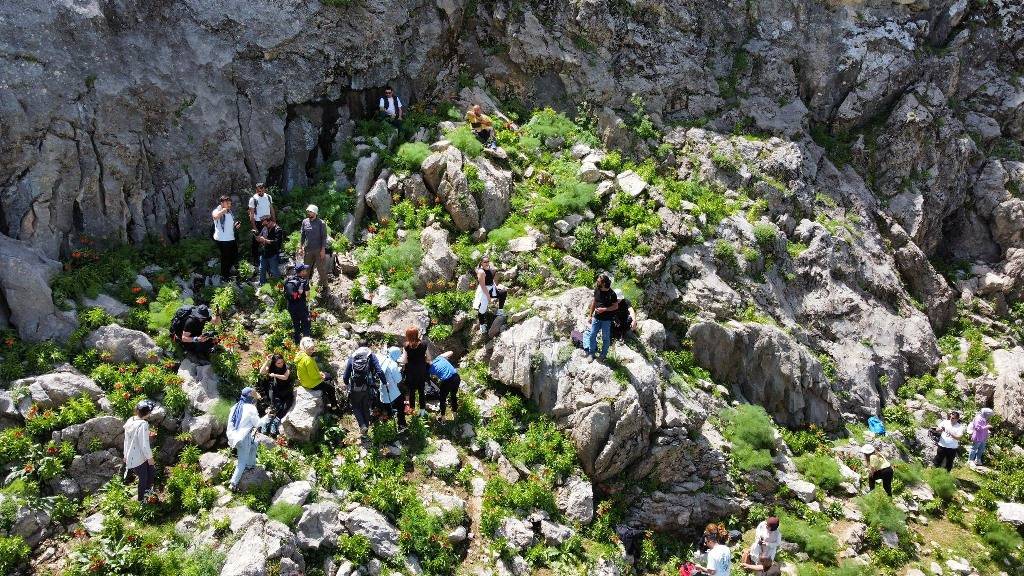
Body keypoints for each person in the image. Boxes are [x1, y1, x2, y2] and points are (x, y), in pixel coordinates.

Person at [226, 387, 267, 492]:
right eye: (253, 395)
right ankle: (233, 483)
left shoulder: (235, 406)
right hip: (243, 438)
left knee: (254, 444)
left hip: (234, 436)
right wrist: (267, 417)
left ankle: (251, 465)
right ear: (250, 397)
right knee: (241, 462)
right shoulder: (251, 408)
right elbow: (257, 424)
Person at [343, 344, 386, 436]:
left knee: (355, 406)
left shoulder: (353, 357)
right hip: (367, 387)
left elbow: (345, 375)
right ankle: (365, 429)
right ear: (367, 347)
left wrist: (346, 383)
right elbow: (379, 370)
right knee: (366, 407)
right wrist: (384, 382)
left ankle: (362, 426)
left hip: (355, 387)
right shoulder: (371, 356)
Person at [123, 400, 156, 502]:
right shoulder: (143, 424)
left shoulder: (130, 420)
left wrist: (125, 455)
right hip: (138, 458)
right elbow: (144, 445)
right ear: (147, 413)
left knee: (149, 473)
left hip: (130, 456)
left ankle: (147, 496)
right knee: (145, 478)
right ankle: (143, 500)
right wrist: (150, 458)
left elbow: (127, 439)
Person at [295, 337, 336, 410]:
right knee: (331, 387)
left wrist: (320, 373)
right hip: (312, 383)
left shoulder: (300, 355)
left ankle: (327, 397)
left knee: (327, 376)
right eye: (311, 349)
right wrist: (322, 376)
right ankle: (334, 407)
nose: (313, 350)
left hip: (304, 381)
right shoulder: (308, 360)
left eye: (313, 348)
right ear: (305, 348)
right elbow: (313, 376)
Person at [259, 354, 293, 436]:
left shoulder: (286, 367)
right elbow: (261, 372)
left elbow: (285, 377)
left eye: (282, 362)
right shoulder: (272, 367)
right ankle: (267, 422)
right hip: (276, 390)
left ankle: (275, 422)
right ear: (274, 363)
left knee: (285, 406)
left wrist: (275, 375)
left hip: (286, 390)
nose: (281, 364)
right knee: (276, 405)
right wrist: (267, 361)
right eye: (278, 363)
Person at [401, 326, 432, 417]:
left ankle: (412, 409)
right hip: (422, 371)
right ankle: (422, 411)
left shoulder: (406, 346)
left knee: (411, 391)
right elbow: (429, 358)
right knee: (421, 390)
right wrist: (423, 359)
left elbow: (404, 361)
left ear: (408, 336)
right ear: (417, 334)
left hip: (410, 372)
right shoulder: (424, 344)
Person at [473, 256, 507, 335]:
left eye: (488, 261)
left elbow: (491, 279)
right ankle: (482, 324)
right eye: (485, 262)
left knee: (503, 293)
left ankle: (500, 311)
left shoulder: (489, 268)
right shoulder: (481, 272)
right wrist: (489, 297)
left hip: (492, 288)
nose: (487, 263)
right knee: (482, 309)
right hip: (484, 291)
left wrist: (495, 286)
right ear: (481, 263)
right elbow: (483, 286)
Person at [299, 204, 330, 292]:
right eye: (308, 211)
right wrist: (300, 247)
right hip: (308, 250)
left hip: (319, 250)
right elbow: (302, 235)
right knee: (306, 269)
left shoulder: (321, 223)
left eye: (311, 211)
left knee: (321, 269)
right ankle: (305, 286)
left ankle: (326, 287)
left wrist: (323, 250)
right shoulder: (305, 222)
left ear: (315, 213)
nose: (309, 213)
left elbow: (324, 237)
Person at [588, 274, 618, 361]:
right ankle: (591, 353)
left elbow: (615, 306)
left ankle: (603, 355)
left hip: (607, 320)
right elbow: (594, 302)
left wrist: (604, 309)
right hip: (596, 318)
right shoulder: (597, 289)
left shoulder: (612, 294)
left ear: (604, 283)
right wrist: (590, 315)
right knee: (592, 335)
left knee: (605, 337)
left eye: (598, 281)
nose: (597, 282)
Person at [376, 346, 407, 428]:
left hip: (382, 392)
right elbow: (398, 380)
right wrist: (399, 371)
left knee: (387, 408)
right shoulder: (393, 364)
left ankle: (386, 421)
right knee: (401, 404)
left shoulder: (383, 360)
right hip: (391, 392)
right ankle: (401, 424)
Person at [212, 195, 241, 280]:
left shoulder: (230, 212)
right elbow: (215, 217)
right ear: (222, 203)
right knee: (226, 257)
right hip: (222, 239)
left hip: (230, 238)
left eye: (230, 203)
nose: (229, 204)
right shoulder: (217, 210)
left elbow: (230, 224)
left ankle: (228, 272)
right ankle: (225, 276)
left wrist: (236, 225)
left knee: (234, 255)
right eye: (227, 203)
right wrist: (222, 211)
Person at [247, 183, 276, 265]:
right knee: (256, 241)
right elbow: (251, 214)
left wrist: (274, 220)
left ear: (264, 189)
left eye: (262, 189)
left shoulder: (268, 197)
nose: (260, 191)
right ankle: (255, 259)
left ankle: (269, 257)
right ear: (256, 190)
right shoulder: (253, 199)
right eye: (259, 190)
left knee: (269, 238)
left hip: (268, 221)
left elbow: (271, 209)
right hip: (258, 222)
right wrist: (254, 227)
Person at [284, 264, 312, 344]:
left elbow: (285, 292)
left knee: (296, 324)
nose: (306, 271)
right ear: (302, 272)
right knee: (306, 324)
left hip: (290, 306)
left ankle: (297, 343)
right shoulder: (304, 281)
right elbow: (307, 295)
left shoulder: (288, 279)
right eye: (305, 270)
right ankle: (306, 344)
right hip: (301, 307)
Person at [429, 352, 461, 419]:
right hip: (456, 377)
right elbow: (451, 352)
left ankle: (443, 416)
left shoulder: (429, 369)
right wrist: (442, 356)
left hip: (447, 381)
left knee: (442, 399)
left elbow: (430, 376)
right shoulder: (440, 357)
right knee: (453, 395)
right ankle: (455, 413)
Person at [255, 214, 285, 284]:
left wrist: (265, 240)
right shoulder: (265, 228)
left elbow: (277, 243)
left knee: (274, 271)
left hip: (273, 254)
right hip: (264, 252)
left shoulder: (278, 229)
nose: (265, 226)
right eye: (264, 224)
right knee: (261, 269)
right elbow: (261, 237)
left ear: (270, 221)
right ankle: (262, 285)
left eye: (266, 224)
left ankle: (280, 286)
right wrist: (258, 238)